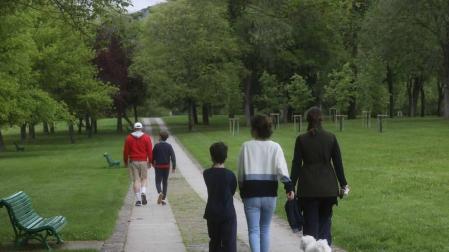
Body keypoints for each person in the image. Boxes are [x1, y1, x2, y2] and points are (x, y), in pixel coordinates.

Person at [290, 107, 349, 246]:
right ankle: (325, 248)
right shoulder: (331, 138)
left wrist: (291, 186)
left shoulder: (301, 139)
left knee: (310, 230)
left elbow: (296, 165)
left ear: (308, 121)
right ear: (321, 120)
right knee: (325, 227)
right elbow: (338, 164)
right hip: (328, 188)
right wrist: (343, 184)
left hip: (308, 188)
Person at [237, 115, 295, 252]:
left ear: (254, 130)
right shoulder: (275, 147)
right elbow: (282, 170)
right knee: (265, 229)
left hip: (250, 193)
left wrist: (241, 189)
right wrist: (289, 187)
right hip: (269, 194)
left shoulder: (246, 147)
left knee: (253, 230)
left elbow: (240, 172)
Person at [203, 142, 237, 252]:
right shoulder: (230, 175)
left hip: (212, 212)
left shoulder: (207, 173)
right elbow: (232, 190)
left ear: (211, 157)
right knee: (229, 243)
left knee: (214, 241)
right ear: (225, 157)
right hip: (227, 212)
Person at [123, 122, 153, 206]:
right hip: (143, 160)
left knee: (136, 180)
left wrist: (125, 161)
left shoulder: (128, 138)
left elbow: (125, 151)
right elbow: (149, 151)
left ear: (134, 128)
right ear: (141, 128)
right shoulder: (146, 137)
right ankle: (143, 192)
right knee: (144, 178)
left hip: (133, 161)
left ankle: (139, 200)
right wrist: (150, 161)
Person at [152, 130, 176, 205]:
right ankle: (163, 198)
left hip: (158, 166)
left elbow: (152, 156)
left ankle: (160, 192)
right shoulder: (169, 146)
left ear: (160, 137)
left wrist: (152, 163)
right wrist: (174, 167)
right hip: (166, 166)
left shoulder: (156, 146)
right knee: (165, 182)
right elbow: (173, 157)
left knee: (158, 181)